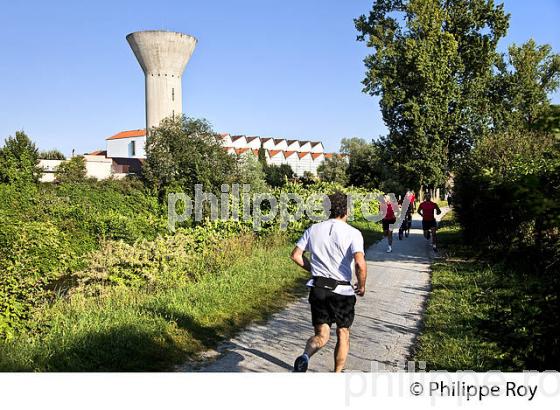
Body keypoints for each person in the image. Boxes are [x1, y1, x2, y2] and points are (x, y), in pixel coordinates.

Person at [290, 192, 367, 373]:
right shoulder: (353, 233)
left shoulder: (313, 229)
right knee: (343, 333)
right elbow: (360, 264)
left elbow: (295, 255)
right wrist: (362, 285)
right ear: (347, 210)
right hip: (342, 292)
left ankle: (305, 356)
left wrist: (313, 270)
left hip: (318, 289)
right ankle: (337, 374)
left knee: (321, 336)